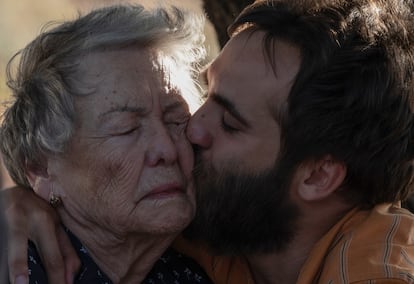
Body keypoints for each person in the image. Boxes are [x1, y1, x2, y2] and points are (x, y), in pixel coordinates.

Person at [4, 0, 414, 283]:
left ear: (319, 175)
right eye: (205, 98)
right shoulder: (218, 219)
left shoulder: (374, 269)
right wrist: (21, 199)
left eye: (231, 122)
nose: (189, 133)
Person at [0, 4, 214, 284]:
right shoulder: (17, 270)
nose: (168, 150)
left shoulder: (195, 271)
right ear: (41, 169)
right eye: (126, 129)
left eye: (176, 121)